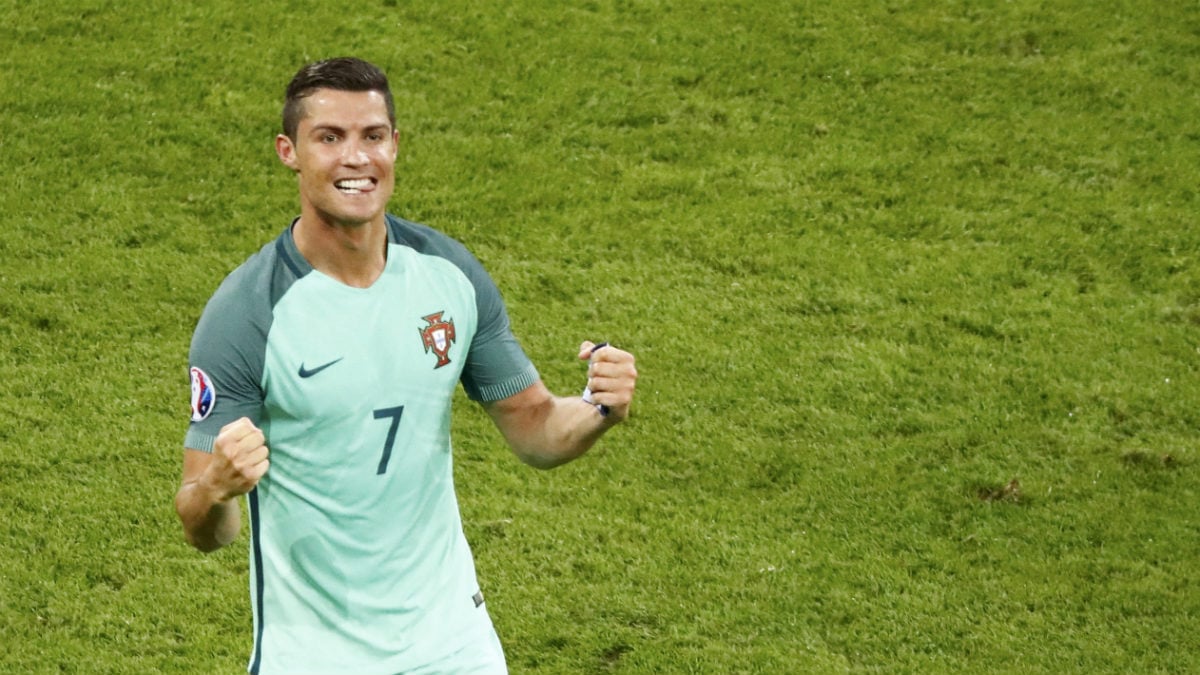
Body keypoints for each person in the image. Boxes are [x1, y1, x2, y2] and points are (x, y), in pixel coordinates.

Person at [174, 57, 637, 675]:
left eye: (372, 136)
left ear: (395, 144)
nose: (356, 159)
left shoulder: (449, 275)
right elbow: (204, 527)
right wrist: (215, 489)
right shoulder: (248, 314)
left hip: (451, 639)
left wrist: (598, 407)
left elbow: (534, 427)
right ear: (290, 152)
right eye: (329, 138)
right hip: (314, 652)